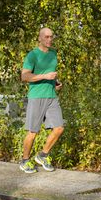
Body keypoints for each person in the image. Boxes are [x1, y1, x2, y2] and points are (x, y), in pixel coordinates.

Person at [19, 27, 64, 173]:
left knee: (59, 128)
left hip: (51, 95)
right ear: (40, 38)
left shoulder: (53, 54)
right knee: (33, 132)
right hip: (36, 96)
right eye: (46, 37)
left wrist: (55, 83)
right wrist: (45, 77)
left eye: (51, 37)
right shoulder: (32, 55)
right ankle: (25, 160)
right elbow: (24, 76)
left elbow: (50, 73)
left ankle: (43, 155)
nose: (49, 39)